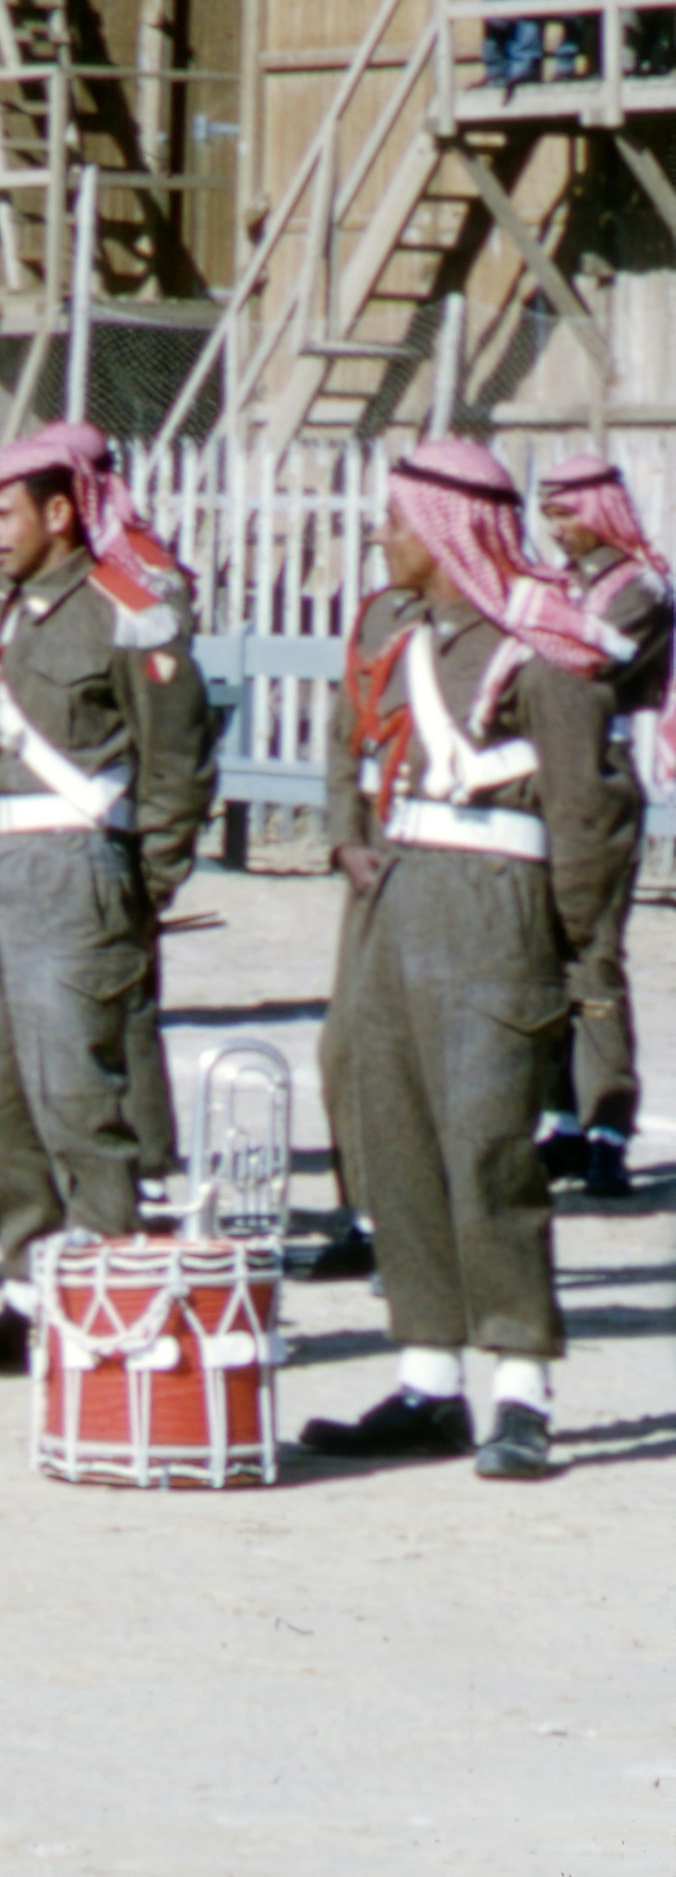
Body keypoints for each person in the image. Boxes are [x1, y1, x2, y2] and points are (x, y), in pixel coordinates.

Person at [302, 440, 626, 1478]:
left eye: (398, 523)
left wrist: (579, 956)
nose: (383, 539)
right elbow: (352, 743)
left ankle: (520, 1387)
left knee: (488, 1149)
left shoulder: (544, 652)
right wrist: (347, 831)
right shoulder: (396, 633)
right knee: (388, 1133)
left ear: (445, 534)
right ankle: (428, 1377)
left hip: (497, 910)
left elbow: (588, 820)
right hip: (396, 901)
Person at [0, 426, 217, 1372]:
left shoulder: (127, 611)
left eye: (3, 514)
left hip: (78, 865)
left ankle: (113, 1302)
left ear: (58, 512)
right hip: (1, 866)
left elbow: (177, 763)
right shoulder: (19, 607)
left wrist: (143, 881)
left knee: (78, 1096)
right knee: (3, 1101)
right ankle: (26, 1296)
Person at [534, 444, 663, 1192]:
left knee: (592, 958)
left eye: (565, 513)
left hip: (596, 777)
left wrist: (533, 625)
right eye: (547, 513)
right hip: (540, 773)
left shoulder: (639, 586)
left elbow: (593, 660)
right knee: (542, 958)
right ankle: (559, 1122)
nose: (555, 530)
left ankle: (609, 1125)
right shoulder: (559, 583)